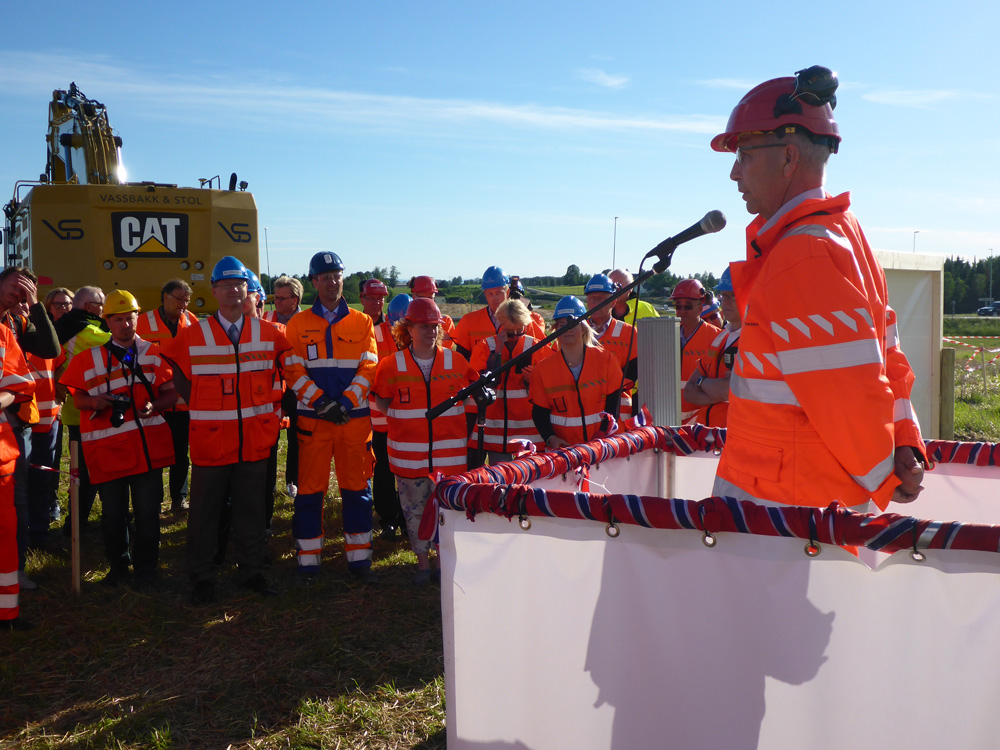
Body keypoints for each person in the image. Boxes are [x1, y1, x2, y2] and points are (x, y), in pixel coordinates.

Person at [709, 65, 925, 510]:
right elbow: (887, 361)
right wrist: (906, 444)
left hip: (784, 517)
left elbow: (848, 399)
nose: (734, 173)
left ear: (788, 157)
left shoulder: (802, 256)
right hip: (816, 507)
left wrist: (887, 478)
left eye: (744, 155)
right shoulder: (847, 235)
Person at [161, 256, 290, 603]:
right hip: (211, 441)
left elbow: (286, 375)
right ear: (214, 290)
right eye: (226, 285)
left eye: (239, 284)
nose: (233, 290)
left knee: (251, 508)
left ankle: (251, 570)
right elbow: (178, 374)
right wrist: (202, 406)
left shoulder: (271, 334)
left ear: (248, 289)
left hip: (253, 440)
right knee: (205, 511)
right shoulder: (194, 335)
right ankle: (201, 575)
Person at [60, 290, 177, 588]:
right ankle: (118, 567)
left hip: (146, 449)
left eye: (131, 317)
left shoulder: (153, 353)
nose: (126, 324)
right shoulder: (89, 359)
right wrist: (96, 402)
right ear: (107, 321)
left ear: (138, 317)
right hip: (108, 449)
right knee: (113, 515)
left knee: (148, 513)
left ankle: (148, 570)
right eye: (119, 319)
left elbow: (171, 393)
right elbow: (77, 398)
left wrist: (155, 406)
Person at [283, 252, 379, 583]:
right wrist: (322, 402)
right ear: (313, 282)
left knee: (357, 489)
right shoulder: (297, 324)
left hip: (353, 423)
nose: (332, 281)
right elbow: (292, 370)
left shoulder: (362, 321)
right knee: (310, 491)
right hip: (315, 422)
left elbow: (370, 366)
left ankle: (360, 561)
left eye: (336, 275)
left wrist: (348, 401)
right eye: (324, 276)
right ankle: (308, 563)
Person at [371, 298, 478, 583]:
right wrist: (405, 421)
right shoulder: (391, 365)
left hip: (450, 459)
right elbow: (381, 401)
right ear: (409, 329)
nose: (430, 331)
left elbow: (472, 398)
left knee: (446, 512)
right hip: (408, 458)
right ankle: (422, 564)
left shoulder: (456, 361)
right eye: (423, 326)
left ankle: (444, 562)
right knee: (414, 511)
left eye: (434, 326)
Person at [0, 267, 60, 591]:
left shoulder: (18, 322)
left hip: (14, 423)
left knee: (16, 499)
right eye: (15, 285)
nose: (19, 292)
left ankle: (15, 569)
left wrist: (36, 304)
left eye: (25, 289)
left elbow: (51, 349)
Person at [136, 279, 199, 513]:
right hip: (153, 400)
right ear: (165, 297)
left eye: (187, 300)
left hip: (183, 404)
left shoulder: (192, 321)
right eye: (179, 298)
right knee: (153, 453)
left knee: (181, 454)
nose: (183, 304)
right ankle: (152, 500)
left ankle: (178, 498)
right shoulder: (142, 322)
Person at [530, 296, 623, 449]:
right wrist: (551, 439)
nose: (568, 329)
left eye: (572, 323)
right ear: (555, 330)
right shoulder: (543, 369)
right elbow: (539, 413)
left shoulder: (606, 360)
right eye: (562, 324)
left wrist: (603, 435)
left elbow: (613, 404)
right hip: (562, 454)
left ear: (583, 327)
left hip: (600, 448)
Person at [468, 298, 553, 464]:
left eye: (519, 331)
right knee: (501, 483)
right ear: (500, 324)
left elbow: (550, 387)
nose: (514, 336)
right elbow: (480, 384)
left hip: (529, 434)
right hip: (496, 434)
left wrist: (533, 381)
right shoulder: (486, 346)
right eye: (509, 332)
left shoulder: (538, 347)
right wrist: (497, 352)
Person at [55, 286, 110, 537]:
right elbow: (122, 342)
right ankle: (75, 524)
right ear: (89, 307)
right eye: (102, 305)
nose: (105, 310)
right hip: (86, 411)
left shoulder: (67, 325)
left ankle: (79, 521)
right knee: (87, 473)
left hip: (75, 410)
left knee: (86, 471)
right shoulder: (86, 331)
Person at [0, 324, 36, 631]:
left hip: (1, 459)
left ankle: (7, 615)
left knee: (5, 537)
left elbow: (20, 385)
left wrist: (2, 399)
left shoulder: (2, 334)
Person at [365, 283, 406, 539]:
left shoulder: (424, 341)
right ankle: (388, 518)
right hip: (380, 418)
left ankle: (406, 518)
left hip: (409, 421)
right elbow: (369, 371)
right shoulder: (376, 334)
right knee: (383, 471)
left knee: (408, 472)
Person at [683, 268, 742, 427]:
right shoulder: (721, 338)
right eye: (724, 296)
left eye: (732, 296)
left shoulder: (754, 340)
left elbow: (728, 390)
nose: (725, 302)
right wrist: (716, 390)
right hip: (706, 438)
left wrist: (701, 383)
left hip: (732, 436)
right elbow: (689, 392)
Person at [262, 275, 303, 497]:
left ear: (294, 300)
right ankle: (268, 483)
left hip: (299, 387)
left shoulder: (306, 321)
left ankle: (293, 482)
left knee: (297, 438)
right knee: (270, 437)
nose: (275, 302)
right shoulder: (266, 318)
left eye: (281, 298)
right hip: (272, 387)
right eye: (274, 297)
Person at [452, 266, 544, 360]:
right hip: (482, 373)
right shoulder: (469, 321)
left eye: (499, 293)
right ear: (485, 295)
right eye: (490, 294)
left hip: (520, 374)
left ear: (507, 292)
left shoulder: (524, 320)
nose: (495, 298)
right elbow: (461, 359)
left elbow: (541, 352)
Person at [584, 274, 638, 418]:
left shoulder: (629, 333)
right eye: (591, 298)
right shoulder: (575, 331)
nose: (595, 302)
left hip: (618, 415)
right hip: (582, 412)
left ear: (614, 301)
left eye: (601, 298)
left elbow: (632, 374)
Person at [670, 278, 721, 425]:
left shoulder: (716, 337)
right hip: (669, 418)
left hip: (701, 421)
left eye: (688, 306)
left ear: (700, 307)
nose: (682, 311)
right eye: (678, 306)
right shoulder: (667, 335)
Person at [408, 276, 457, 347]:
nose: (426, 302)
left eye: (430, 298)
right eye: (422, 298)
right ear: (413, 297)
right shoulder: (407, 321)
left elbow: (444, 351)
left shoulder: (446, 321)